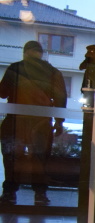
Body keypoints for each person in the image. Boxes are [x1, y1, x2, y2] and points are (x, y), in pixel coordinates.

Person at [0, 40, 68, 206]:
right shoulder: (52, 72)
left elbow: (2, 93)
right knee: (40, 159)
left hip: (16, 120)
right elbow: (60, 98)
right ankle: (40, 194)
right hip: (41, 122)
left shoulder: (15, 69)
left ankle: (9, 193)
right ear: (41, 54)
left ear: (25, 53)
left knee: (11, 157)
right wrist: (59, 122)